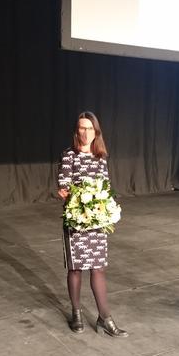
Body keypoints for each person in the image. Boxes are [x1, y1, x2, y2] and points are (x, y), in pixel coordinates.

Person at [57, 111, 128, 338]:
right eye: (81, 128)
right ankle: (76, 312)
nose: (85, 132)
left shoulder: (100, 156)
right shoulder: (70, 155)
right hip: (77, 219)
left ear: (96, 131)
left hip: (96, 220)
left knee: (98, 268)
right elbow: (64, 185)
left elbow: (106, 186)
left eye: (90, 128)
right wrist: (72, 197)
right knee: (76, 267)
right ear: (76, 130)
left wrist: (108, 206)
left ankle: (105, 317)